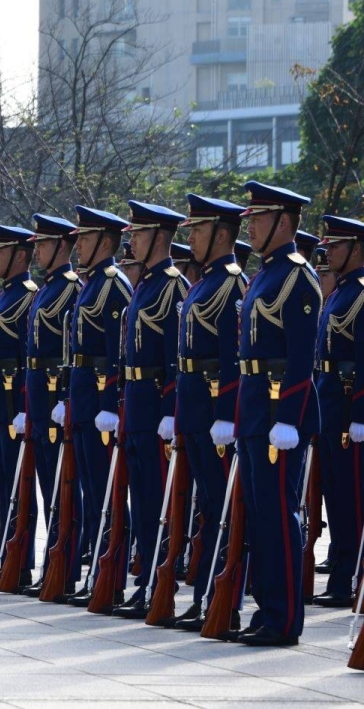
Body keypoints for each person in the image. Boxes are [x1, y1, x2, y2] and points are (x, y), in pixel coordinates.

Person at [234, 181, 321, 645]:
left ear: (283, 222)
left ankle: (285, 620)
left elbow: (302, 355)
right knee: (259, 515)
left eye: (258, 217)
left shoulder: (296, 277)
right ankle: (267, 610)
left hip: (278, 418)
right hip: (253, 410)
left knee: (278, 515)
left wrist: (288, 415)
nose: (250, 225)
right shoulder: (265, 274)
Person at [172, 195, 248, 630]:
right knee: (207, 506)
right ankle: (204, 593)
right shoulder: (203, 282)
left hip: (214, 412)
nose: (192, 238)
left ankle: (225, 599)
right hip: (194, 407)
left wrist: (225, 412)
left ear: (221, 234)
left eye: (198, 230)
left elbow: (233, 355)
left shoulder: (232, 284)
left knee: (225, 508)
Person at [111, 201, 188, 619]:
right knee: (141, 501)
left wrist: (169, 409)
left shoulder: (173, 285)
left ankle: (163, 583)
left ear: (159, 236)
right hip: (137, 406)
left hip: (157, 406)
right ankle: (145, 582)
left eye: (138, 234)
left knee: (161, 503)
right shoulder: (145, 285)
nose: (132, 240)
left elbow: (178, 355)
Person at [63, 207, 132, 606]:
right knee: (91, 492)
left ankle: (112, 576)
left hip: (100, 405)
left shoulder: (112, 285)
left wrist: (108, 402)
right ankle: (97, 573)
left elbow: (114, 352)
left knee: (107, 496)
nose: (78, 246)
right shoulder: (92, 284)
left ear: (105, 243)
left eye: (84, 240)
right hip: (84, 399)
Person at [24, 214, 82, 597]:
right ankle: (53, 561)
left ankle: (66, 565)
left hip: (55, 399)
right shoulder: (47, 289)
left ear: (63, 246)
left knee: (64, 488)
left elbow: (72, 351)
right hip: (37, 399)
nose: (37, 250)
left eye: (43, 244)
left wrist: (64, 398)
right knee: (48, 486)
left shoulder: (72, 289)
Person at [0, 225, 37, 588]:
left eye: (2, 251)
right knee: (3, 488)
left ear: (19, 255)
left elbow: (27, 356)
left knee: (20, 488)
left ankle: (22, 561)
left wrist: (24, 406)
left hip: (15, 404)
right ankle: (7, 556)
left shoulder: (27, 296)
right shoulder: (3, 297)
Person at [312, 215, 364, 608]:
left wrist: (360, 412)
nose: (328, 251)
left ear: (356, 248)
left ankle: (350, 576)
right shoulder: (340, 292)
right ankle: (342, 575)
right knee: (335, 495)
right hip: (329, 405)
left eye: (336, 245)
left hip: (348, 409)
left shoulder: (360, 293)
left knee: (351, 498)